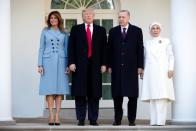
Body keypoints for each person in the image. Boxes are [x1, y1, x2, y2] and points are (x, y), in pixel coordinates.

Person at [68, 8, 107, 126]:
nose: (88, 16)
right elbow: (71, 47)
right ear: (83, 17)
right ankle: (80, 119)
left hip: (95, 65)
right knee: (80, 93)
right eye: (86, 14)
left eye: (90, 14)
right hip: (79, 65)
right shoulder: (76, 29)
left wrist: (104, 64)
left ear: (94, 16)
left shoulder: (101, 30)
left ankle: (93, 119)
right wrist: (71, 63)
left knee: (94, 93)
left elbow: (104, 49)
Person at [108, 10, 144, 126]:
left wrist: (140, 66)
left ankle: (131, 120)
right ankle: (117, 120)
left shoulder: (137, 31)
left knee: (132, 96)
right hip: (117, 68)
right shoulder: (113, 31)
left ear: (128, 17)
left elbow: (140, 50)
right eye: (119, 17)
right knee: (117, 96)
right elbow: (110, 49)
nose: (121, 19)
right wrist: (109, 65)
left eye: (123, 17)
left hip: (132, 68)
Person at [37, 11, 70, 126]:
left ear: (59, 19)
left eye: (55, 18)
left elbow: (67, 49)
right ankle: (50, 114)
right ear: (49, 20)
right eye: (51, 18)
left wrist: (67, 65)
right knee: (49, 89)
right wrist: (40, 64)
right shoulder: (45, 31)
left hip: (61, 62)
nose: (53, 20)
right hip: (47, 62)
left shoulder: (64, 32)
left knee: (60, 89)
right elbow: (41, 48)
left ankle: (57, 115)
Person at [141, 22, 175, 126]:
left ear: (160, 30)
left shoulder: (166, 41)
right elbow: (144, 58)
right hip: (150, 72)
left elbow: (170, 56)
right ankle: (153, 121)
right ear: (150, 30)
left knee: (161, 96)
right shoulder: (147, 43)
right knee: (153, 97)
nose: (155, 30)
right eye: (153, 28)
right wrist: (142, 70)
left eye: (157, 28)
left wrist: (171, 68)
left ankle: (160, 121)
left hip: (163, 71)